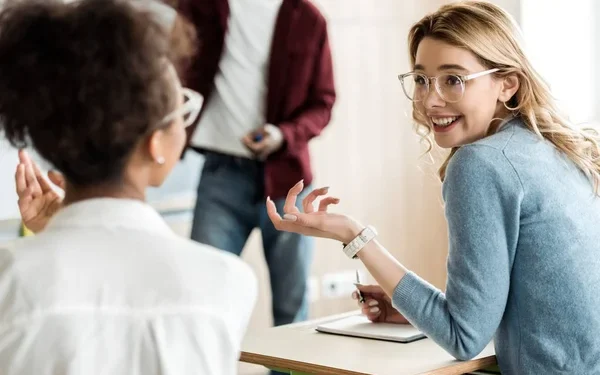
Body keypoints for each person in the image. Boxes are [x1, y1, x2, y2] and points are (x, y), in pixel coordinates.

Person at [265, 2, 600, 374]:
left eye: (453, 79)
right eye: (422, 80)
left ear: (507, 84)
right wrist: (412, 306)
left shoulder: (480, 164)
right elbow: (524, 307)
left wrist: (354, 235)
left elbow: (463, 337)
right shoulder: (555, 148)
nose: (429, 100)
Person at [0, 1, 256, 374]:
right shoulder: (225, 283)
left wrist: (55, 237)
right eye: (181, 108)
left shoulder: (11, 281)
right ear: (155, 142)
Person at [176, 0, 336, 327]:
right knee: (201, 299)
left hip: (287, 181)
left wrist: (282, 134)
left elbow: (323, 103)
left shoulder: (308, 18)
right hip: (221, 176)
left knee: (292, 309)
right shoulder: (202, 7)